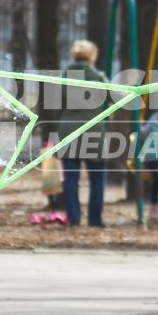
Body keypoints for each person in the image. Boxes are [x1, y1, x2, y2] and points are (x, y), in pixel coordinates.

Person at [52, 39, 116, 227]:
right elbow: (114, 99)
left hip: (68, 131)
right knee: (97, 179)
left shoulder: (64, 77)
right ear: (92, 57)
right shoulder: (98, 77)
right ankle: (95, 220)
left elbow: (56, 107)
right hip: (94, 130)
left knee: (71, 179)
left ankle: (74, 218)